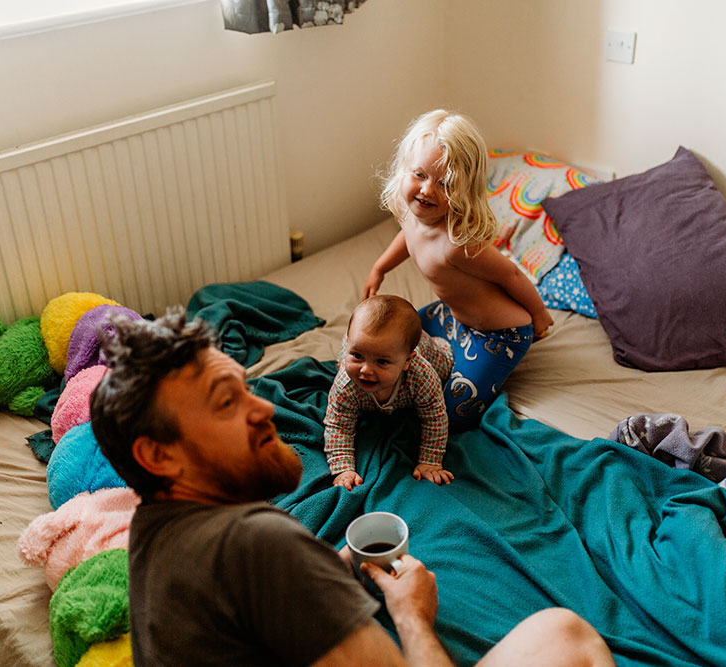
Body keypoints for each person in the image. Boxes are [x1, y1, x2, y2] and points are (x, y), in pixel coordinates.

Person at [89, 308, 615, 667]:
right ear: (158, 455)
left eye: (247, 390)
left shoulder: (150, 536)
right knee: (565, 634)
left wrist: (329, 568)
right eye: (227, 402)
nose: (265, 407)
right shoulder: (256, 543)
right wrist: (413, 617)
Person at [364, 109, 555, 430]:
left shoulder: (457, 244)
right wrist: (379, 269)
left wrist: (540, 316)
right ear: (405, 168)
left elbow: (510, 274)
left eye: (445, 184)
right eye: (420, 175)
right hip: (451, 317)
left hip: (499, 335)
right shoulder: (410, 213)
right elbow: (407, 237)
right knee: (392, 340)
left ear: (464, 189)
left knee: (448, 415)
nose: (427, 190)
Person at [325, 294, 454, 490]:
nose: (366, 370)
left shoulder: (422, 376)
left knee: (446, 367)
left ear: (407, 361)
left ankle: (436, 336)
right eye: (357, 355)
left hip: (426, 348)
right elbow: (338, 424)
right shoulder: (346, 383)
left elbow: (435, 417)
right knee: (344, 361)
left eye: (382, 362)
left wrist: (430, 461)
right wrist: (343, 468)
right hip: (362, 349)